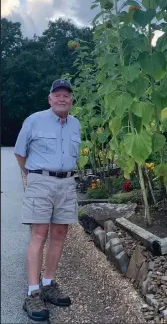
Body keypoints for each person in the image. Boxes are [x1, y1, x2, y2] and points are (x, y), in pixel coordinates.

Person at [14, 79, 81, 322]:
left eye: (67, 95)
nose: (62, 98)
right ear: (50, 98)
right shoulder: (34, 120)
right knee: (39, 232)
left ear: (71, 100)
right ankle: (32, 292)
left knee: (61, 232)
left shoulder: (75, 125)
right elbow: (20, 153)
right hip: (40, 181)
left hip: (67, 183)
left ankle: (48, 283)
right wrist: (31, 177)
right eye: (58, 95)